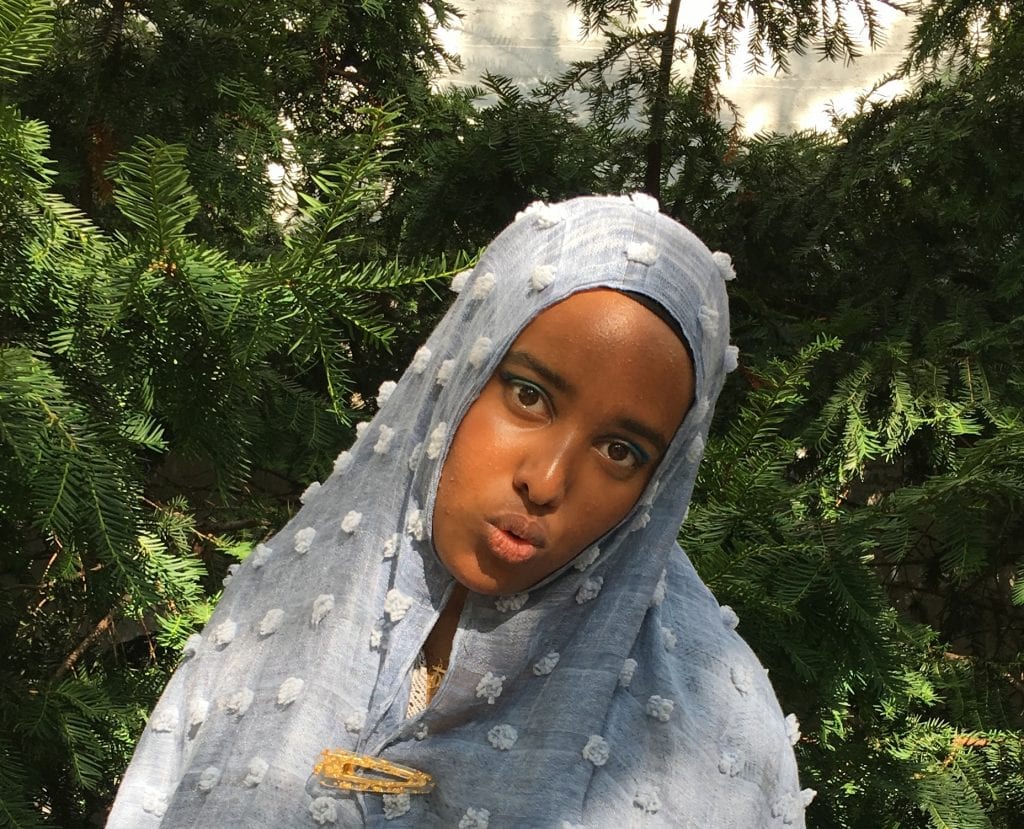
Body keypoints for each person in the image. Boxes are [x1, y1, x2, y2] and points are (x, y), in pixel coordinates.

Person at [107, 194, 814, 827]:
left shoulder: (714, 736)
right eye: (530, 396)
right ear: (459, 374)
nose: (546, 480)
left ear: (657, 488)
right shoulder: (280, 614)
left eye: (621, 450)